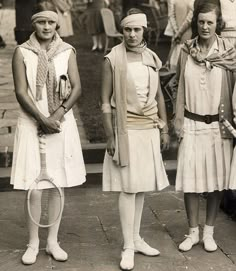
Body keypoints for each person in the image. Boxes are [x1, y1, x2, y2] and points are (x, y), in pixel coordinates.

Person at [11, 1, 86, 265]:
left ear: (57, 25)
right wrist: (41, 118)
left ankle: (53, 241)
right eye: (41, 22)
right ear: (34, 25)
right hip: (31, 122)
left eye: (51, 22)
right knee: (34, 187)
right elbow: (21, 91)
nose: (46, 27)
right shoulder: (22, 52)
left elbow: (76, 87)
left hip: (60, 123)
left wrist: (56, 116)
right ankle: (33, 243)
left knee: (57, 183)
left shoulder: (67, 51)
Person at [101, 8, 170, 271]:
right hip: (125, 129)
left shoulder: (152, 57)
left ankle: (137, 238)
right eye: (127, 29)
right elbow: (104, 102)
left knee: (140, 187)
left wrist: (163, 128)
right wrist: (110, 135)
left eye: (136, 29)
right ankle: (127, 246)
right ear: (122, 31)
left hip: (149, 128)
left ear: (144, 31)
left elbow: (159, 95)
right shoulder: (112, 59)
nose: (131, 34)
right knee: (128, 188)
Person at [174, 2, 236, 253]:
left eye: (210, 22)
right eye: (201, 22)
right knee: (190, 180)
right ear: (195, 23)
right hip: (192, 122)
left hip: (219, 126)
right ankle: (192, 232)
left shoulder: (229, 52)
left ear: (217, 24)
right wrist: (177, 119)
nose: (205, 26)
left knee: (216, 182)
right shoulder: (186, 50)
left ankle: (209, 232)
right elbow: (178, 87)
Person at [163, 0, 194, 70]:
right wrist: (176, 31)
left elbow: (190, 18)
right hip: (177, 35)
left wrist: (179, 32)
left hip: (189, 33)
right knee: (175, 59)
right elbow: (171, 15)